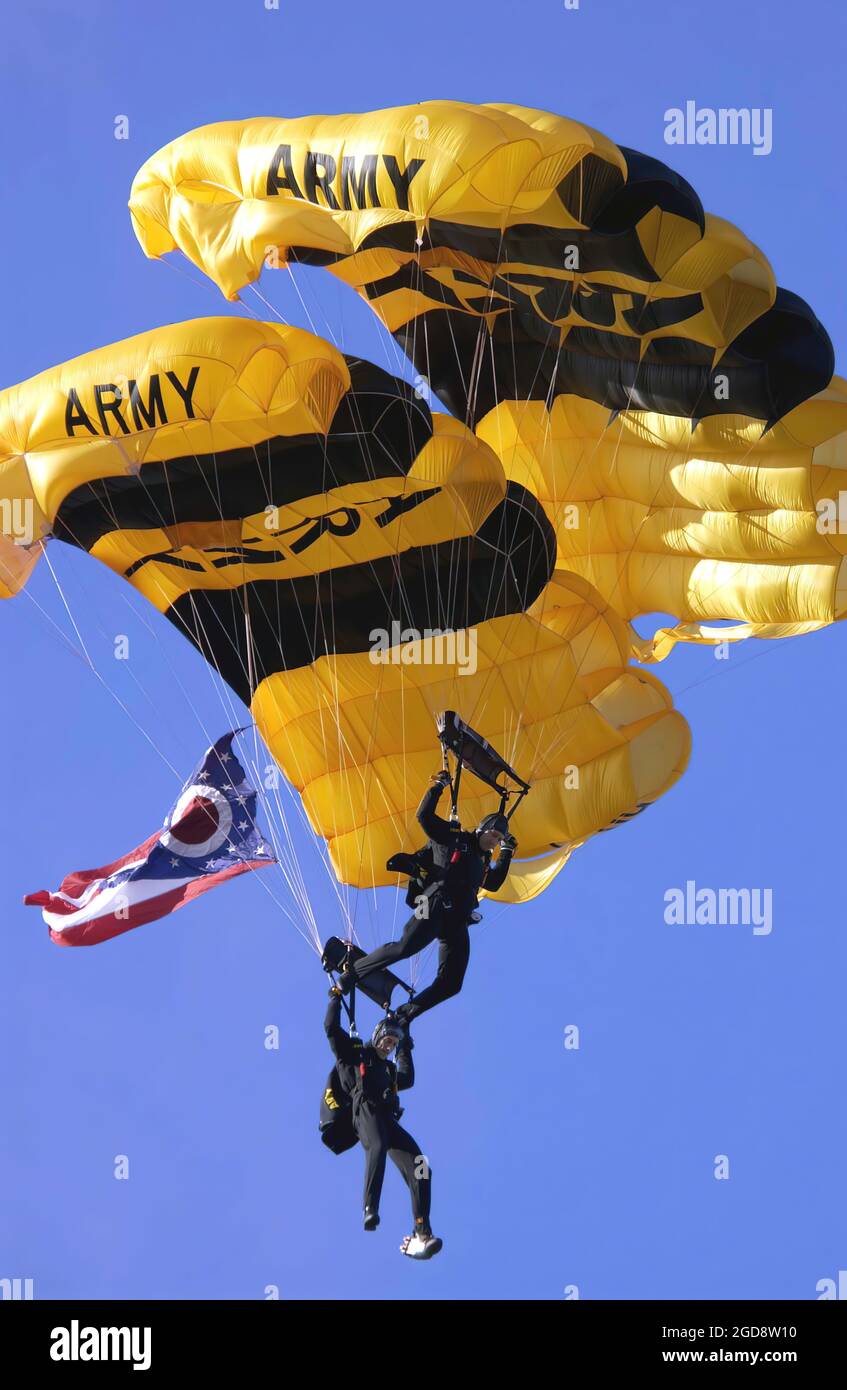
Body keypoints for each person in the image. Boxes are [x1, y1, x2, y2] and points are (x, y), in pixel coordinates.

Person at [341, 770, 516, 1022]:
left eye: (499, 840)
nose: (495, 842)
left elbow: (496, 883)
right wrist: (438, 787)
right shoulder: (455, 838)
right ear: (482, 829)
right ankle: (353, 974)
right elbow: (424, 817)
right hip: (431, 905)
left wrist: (507, 851)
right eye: (494, 835)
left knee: (452, 983)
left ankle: (405, 1016)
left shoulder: (483, 861)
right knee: (405, 948)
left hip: (457, 920)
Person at [324, 987, 442, 1259]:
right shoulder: (356, 1054)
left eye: (392, 1044)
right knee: (377, 1146)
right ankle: (370, 1209)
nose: (388, 1047)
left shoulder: (388, 1071)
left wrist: (405, 1043)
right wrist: (335, 997)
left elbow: (407, 1078)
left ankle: (421, 1233)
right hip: (364, 1111)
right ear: (376, 1037)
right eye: (387, 1040)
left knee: (421, 1165)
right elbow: (331, 1028)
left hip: (387, 1119)